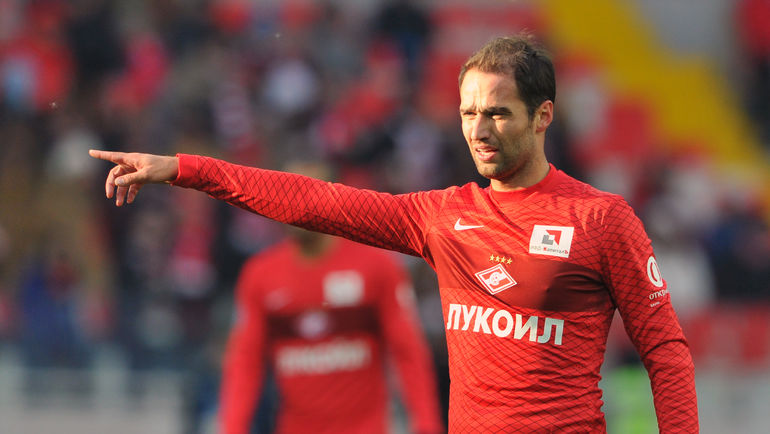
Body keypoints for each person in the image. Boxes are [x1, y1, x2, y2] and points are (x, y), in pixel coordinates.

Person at [89, 35, 699, 432]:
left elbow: (665, 351)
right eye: (468, 113)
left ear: (543, 116)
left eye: (497, 113)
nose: (479, 131)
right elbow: (315, 202)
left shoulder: (601, 219)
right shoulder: (442, 216)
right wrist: (185, 168)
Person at [218, 162, 443, 434]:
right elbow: (245, 361)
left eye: (306, 194)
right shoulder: (260, 275)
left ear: (332, 198)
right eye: (284, 193)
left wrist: (427, 424)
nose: (293, 205)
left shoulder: (376, 266)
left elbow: (408, 351)